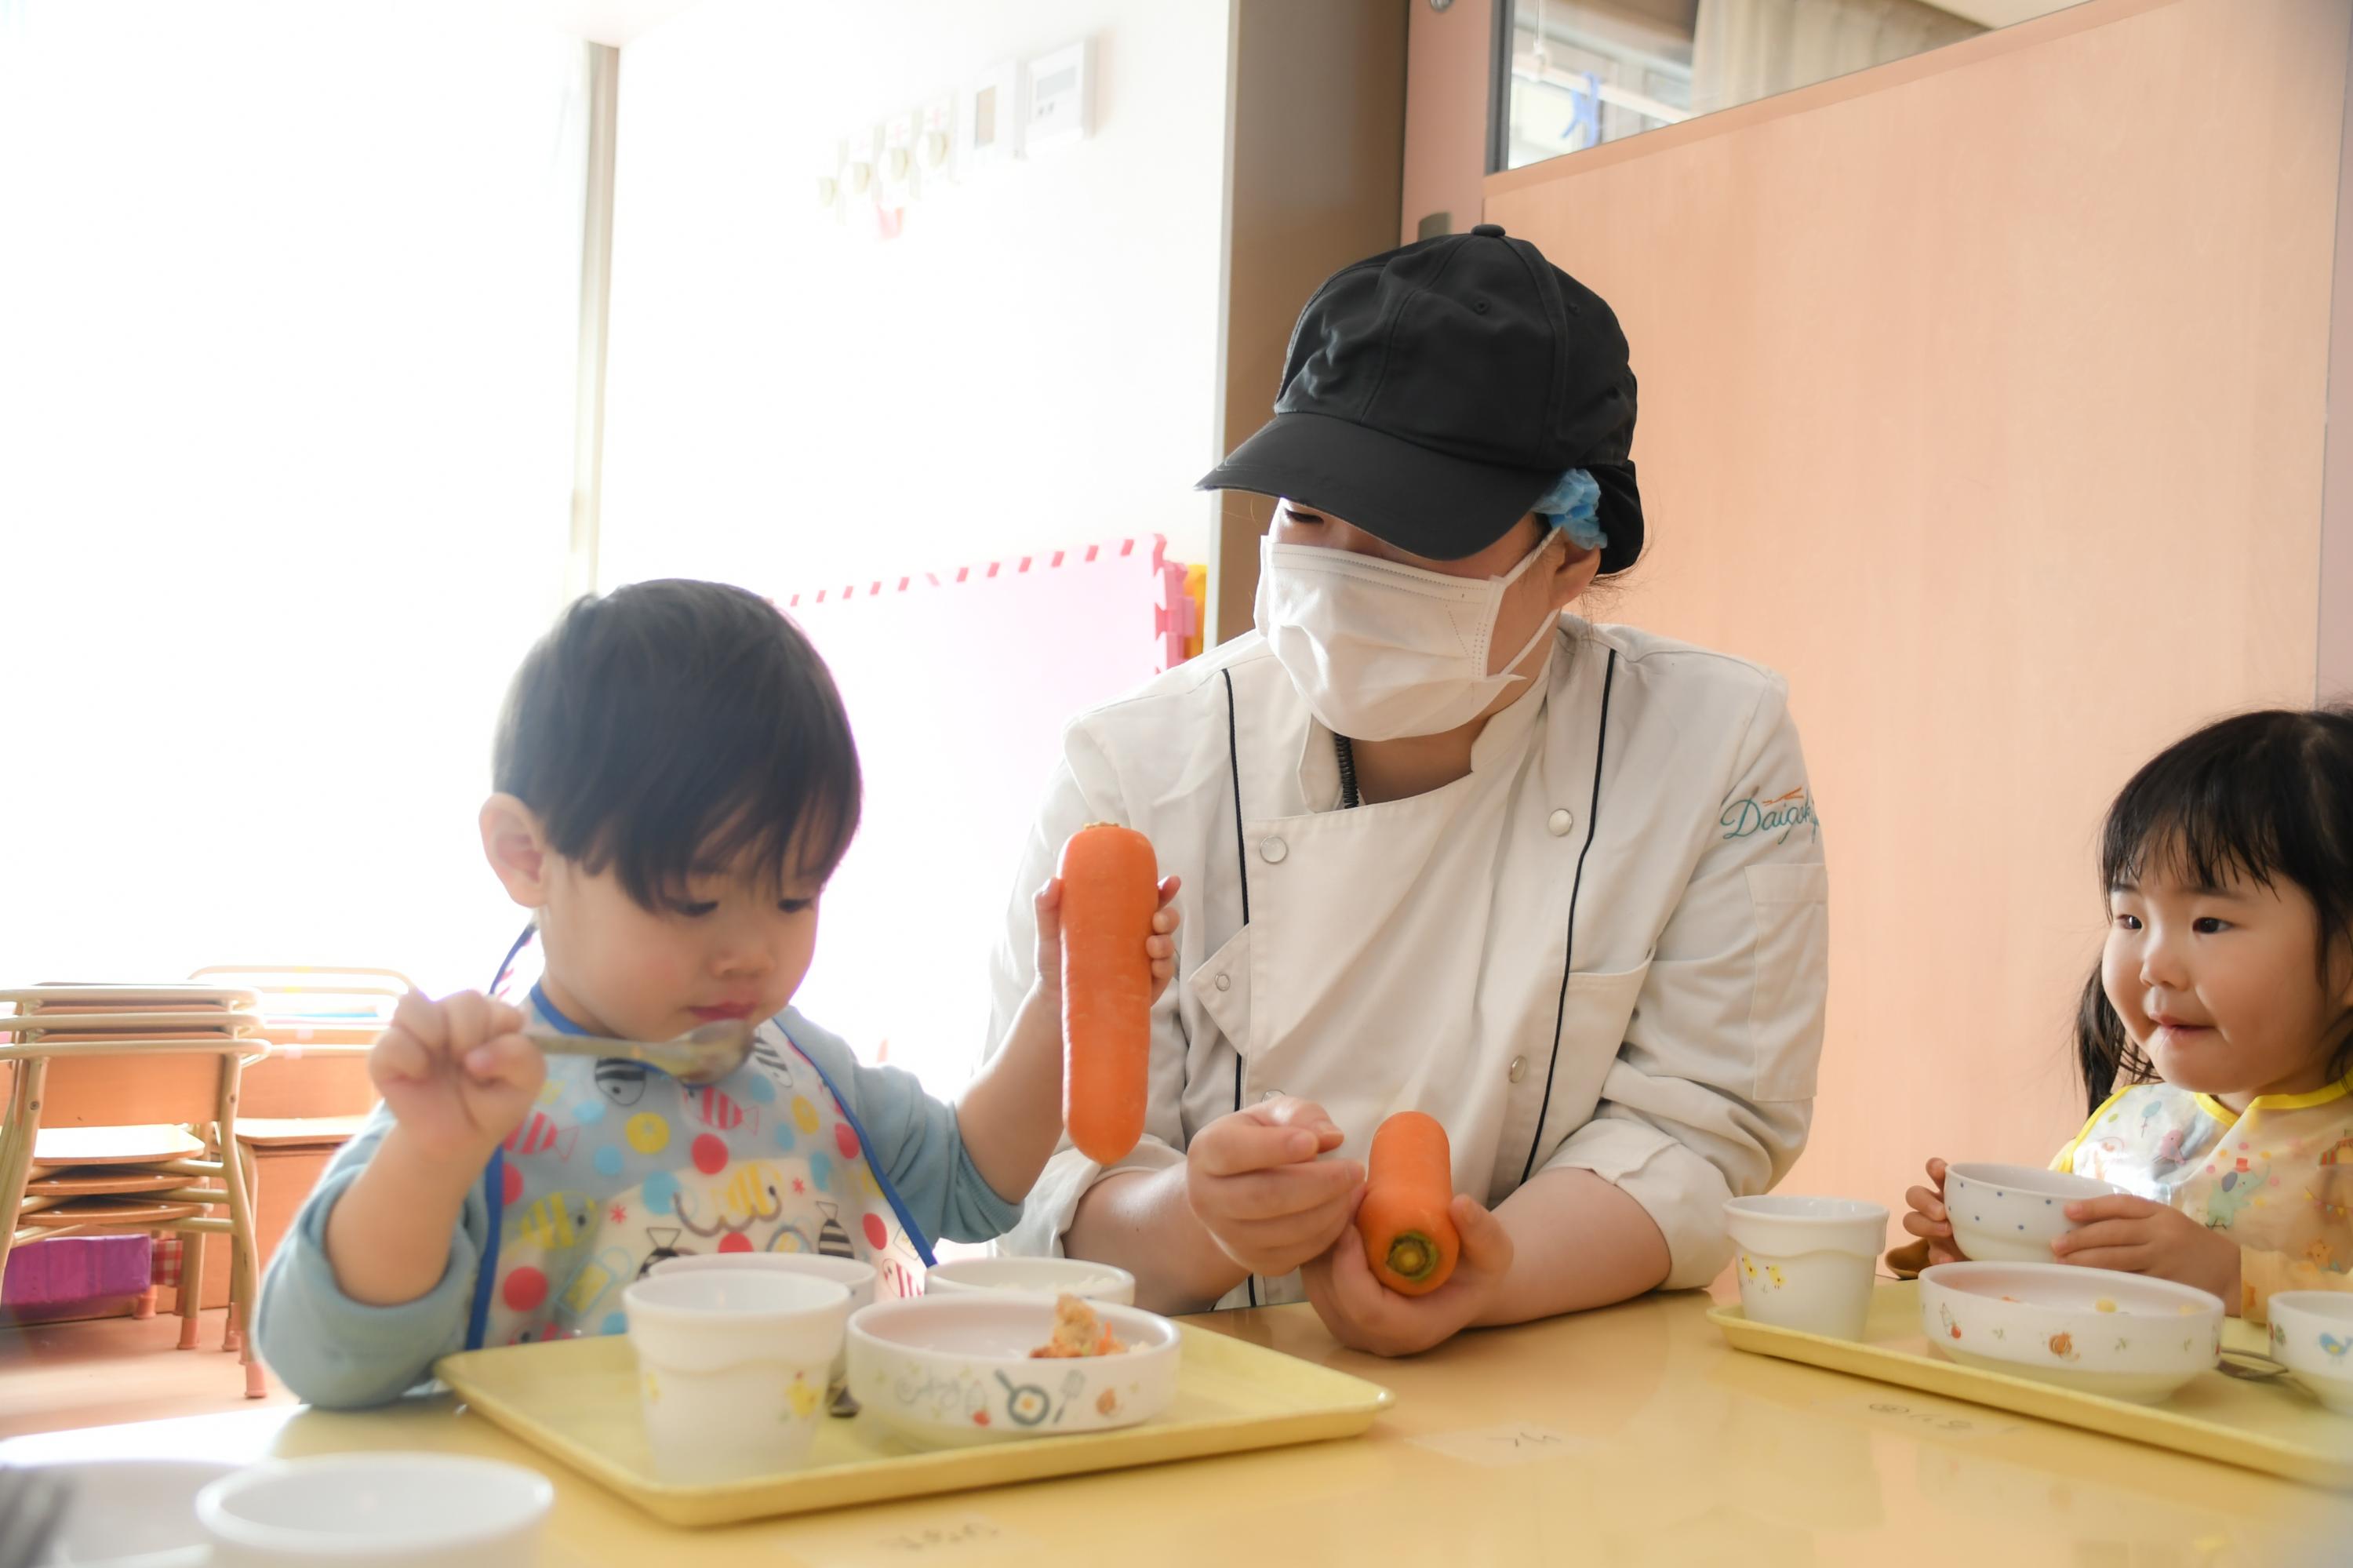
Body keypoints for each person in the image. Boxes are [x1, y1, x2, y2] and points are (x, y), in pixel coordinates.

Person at [985, 224, 1830, 1355]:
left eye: (1411, 534)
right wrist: (1202, 1218)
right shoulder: (1135, 767)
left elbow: (1704, 1123)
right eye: (1308, 514)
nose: (1338, 577)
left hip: (1543, 1390)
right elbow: (1039, 1175)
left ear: (1572, 552)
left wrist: (1490, 1277)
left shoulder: (1710, 745)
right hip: (1195, 1392)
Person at [256, 579, 1178, 1406]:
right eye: (694, 900)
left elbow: (974, 1180)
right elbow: (327, 1358)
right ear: (530, 856)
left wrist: (1063, 1004)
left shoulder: (802, 1064)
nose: (751, 952)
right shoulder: (478, 1103)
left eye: (795, 894)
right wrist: (428, 1159)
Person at [1904, 708, 2353, 1321]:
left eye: (2210, 922)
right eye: (2131, 920)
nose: (2154, 965)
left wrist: (2234, 1278)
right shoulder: (2128, 1127)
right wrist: (1984, 1254)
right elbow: (2060, 1285)